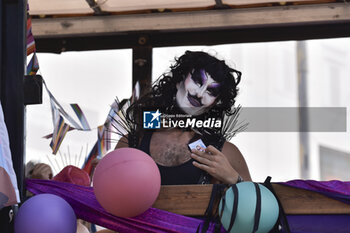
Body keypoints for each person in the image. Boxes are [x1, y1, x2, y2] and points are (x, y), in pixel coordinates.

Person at [115, 51, 251, 185]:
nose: (199, 94)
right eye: (198, 81)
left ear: (215, 103)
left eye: (211, 91)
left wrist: (234, 179)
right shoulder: (131, 142)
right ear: (179, 80)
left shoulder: (225, 152)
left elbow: (258, 203)